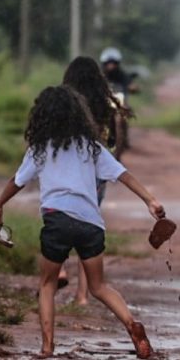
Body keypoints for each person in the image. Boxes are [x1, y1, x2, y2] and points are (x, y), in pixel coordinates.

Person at [0, 85, 164, 359]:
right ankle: (131, 324)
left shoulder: (40, 149)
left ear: (42, 116)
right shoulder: (91, 148)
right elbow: (123, 174)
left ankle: (47, 348)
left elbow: (17, 182)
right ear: (78, 115)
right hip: (90, 225)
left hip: (57, 221)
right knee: (99, 287)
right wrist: (150, 200)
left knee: (47, 285)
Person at [57, 56, 131, 305]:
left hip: (67, 169)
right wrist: (113, 163)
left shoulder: (65, 102)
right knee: (88, 226)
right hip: (96, 173)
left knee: (59, 218)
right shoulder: (104, 104)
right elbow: (114, 139)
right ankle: (82, 296)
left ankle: (60, 269)